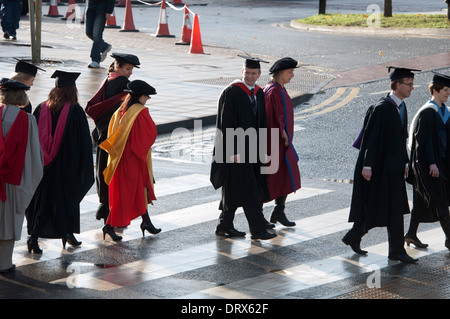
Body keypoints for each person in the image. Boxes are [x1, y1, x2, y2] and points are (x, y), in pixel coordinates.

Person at [342, 66, 420, 264]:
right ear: (397, 85)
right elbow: (371, 140)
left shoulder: (401, 106)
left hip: (394, 168)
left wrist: (404, 161)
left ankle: (395, 250)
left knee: (394, 209)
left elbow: (401, 138)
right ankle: (356, 235)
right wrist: (367, 166)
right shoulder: (382, 108)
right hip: (379, 168)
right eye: (409, 84)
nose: (412, 88)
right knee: (377, 206)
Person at [25, 71, 94, 253]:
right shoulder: (76, 111)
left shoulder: (41, 108)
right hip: (66, 168)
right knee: (63, 202)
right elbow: (84, 143)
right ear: (73, 90)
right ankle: (42, 236)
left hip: (43, 166)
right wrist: (84, 168)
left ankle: (61, 234)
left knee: (44, 201)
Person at [210, 55, 276, 240]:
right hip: (237, 152)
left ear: (259, 74)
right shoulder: (231, 92)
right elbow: (225, 124)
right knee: (250, 191)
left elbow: (262, 121)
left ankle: (224, 225)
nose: (249, 76)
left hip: (253, 150)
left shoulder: (259, 93)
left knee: (234, 189)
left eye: (253, 73)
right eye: (246, 72)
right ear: (242, 72)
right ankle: (257, 229)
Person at [99, 80, 161, 241]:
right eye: (147, 96)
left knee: (135, 192)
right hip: (133, 159)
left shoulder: (120, 110)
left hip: (118, 158)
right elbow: (150, 135)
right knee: (127, 194)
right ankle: (109, 226)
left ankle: (146, 222)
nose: (147, 99)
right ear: (140, 96)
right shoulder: (140, 112)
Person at [85, 53, 140, 222]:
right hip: (114, 133)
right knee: (114, 170)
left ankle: (103, 204)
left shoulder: (108, 78)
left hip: (102, 131)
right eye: (128, 69)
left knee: (101, 168)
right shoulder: (124, 84)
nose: (130, 72)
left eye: (131, 69)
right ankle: (111, 208)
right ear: (118, 67)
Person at [0, 78, 43, 273]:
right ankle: (4, 263)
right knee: (9, 221)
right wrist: (31, 179)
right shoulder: (27, 120)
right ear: (21, 96)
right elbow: (33, 156)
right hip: (13, 179)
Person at [406, 72, 450, 251]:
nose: (448, 93)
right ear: (436, 91)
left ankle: (410, 234)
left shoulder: (444, 111)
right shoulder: (428, 112)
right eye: (446, 90)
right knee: (441, 201)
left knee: (420, 201)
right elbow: (425, 142)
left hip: (442, 164)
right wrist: (432, 163)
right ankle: (449, 239)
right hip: (428, 165)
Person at [263, 57, 301, 227]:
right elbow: (272, 116)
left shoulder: (279, 89)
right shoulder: (274, 92)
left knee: (286, 175)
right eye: (289, 72)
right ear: (280, 73)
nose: (292, 75)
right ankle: (258, 217)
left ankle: (279, 211)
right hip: (275, 144)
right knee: (270, 178)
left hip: (281, 144)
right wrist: (283, 132)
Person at [85, 0, 114, 68]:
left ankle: (95, 60)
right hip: (91, 5)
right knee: (89, 33)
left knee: (97, 34)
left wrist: (109, 11)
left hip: (102, 6)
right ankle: (105, 46)